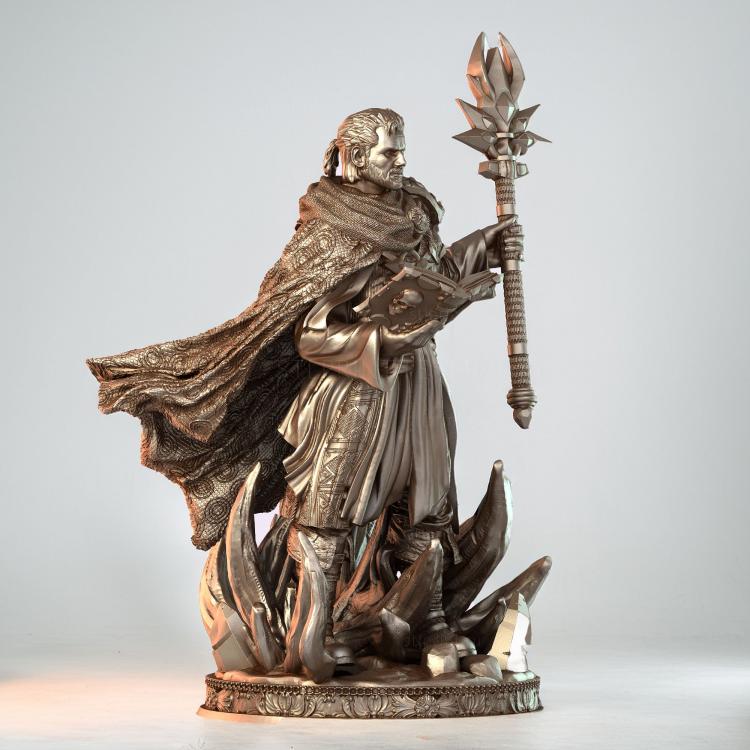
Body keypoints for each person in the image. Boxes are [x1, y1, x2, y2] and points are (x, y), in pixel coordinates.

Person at [87, 107, 514, 671]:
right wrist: (382, 340)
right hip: (356, 389)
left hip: (419, 384)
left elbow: (429, 281)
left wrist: (482, 246)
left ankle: (426, 622)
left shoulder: (414, 211)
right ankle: (317, 625)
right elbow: (309, 334)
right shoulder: (330, 229)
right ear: (356, 157)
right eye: (390, 151)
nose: (402, 160)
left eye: (403, 148)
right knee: (329, 506)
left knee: (428, 501)